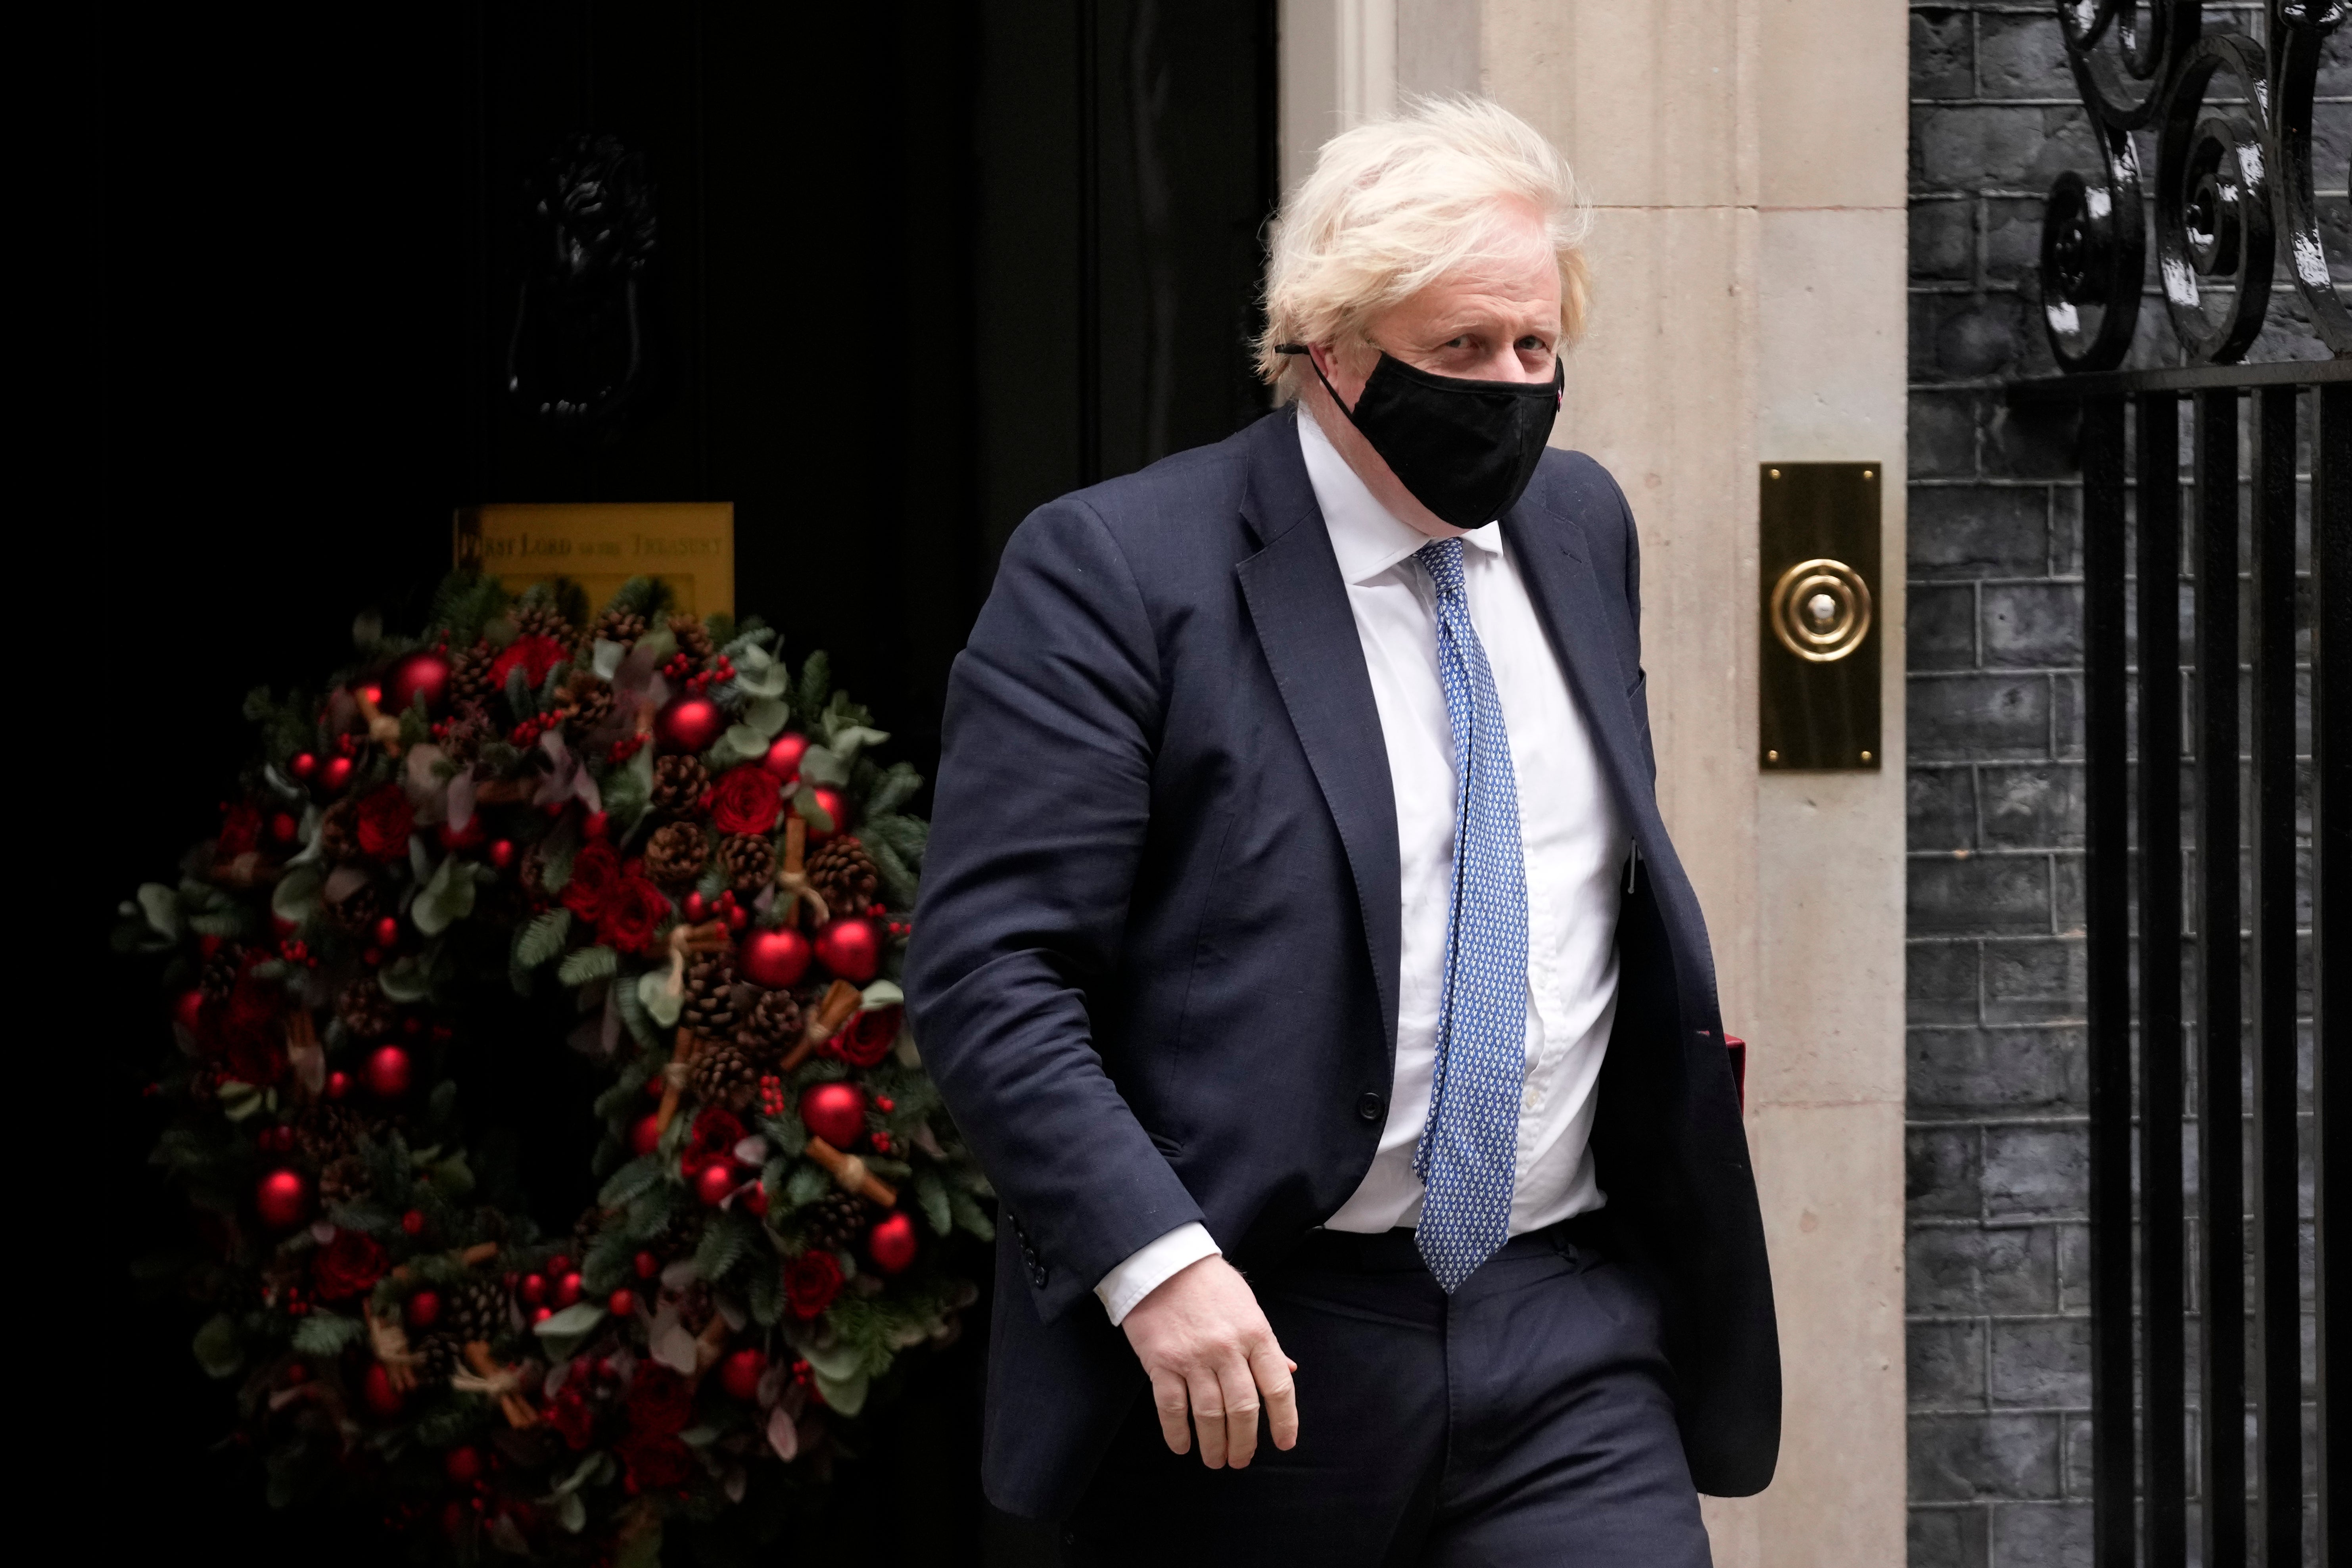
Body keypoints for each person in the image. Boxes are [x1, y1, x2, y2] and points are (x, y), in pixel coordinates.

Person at [905, 96, 1777, 1565]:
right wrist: (1155, 1262)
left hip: (1562, 1322)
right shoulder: (1119, 573)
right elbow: (990, 975)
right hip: (1256, 1336)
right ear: (1329, 346)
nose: (1507, 387)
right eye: (1459, 352)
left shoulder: (1578, 528)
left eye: (1533, 348)